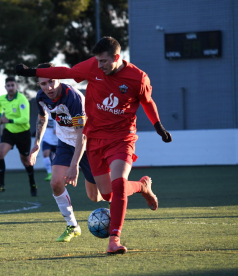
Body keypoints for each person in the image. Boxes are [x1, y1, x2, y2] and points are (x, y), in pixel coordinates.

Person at [16, 37, 172, 255]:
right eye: (97, 61)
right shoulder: (92, 67)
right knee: (106, 194)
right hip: (95, 140)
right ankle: (141, 186)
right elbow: (66, 72)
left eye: (104, 61)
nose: (99, 66)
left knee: (118, 184)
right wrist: (31, 72)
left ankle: (114, 240)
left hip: (121, 137)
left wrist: (158, 126)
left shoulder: (138, 78)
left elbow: (147, 101)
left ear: (117, 57)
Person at [29, 62, 103, 242]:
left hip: (88, 144)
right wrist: (37, 144)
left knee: (97, 197)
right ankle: (72, 225)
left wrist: (74, 165)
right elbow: (42, 118)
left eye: (52, 81)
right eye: (43, 84)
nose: (49, 87)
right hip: (65, 143)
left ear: (59, 78)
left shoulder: (74, 98)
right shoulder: (42, 97)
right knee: (55, 183)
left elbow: (82, 136)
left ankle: (131, 188)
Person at [0, 77, 37, 196]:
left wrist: (9, 120)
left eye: (12, 85)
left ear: (16, 86)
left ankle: (32, 183)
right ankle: (1, 185)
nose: (10, 87)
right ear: (5, 87)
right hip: (9, 132)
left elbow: (25, 119)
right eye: (8, 85)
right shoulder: (2, 99)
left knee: (25, 161)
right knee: (0, 154)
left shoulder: (22, 100)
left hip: (23, 133)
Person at [41, 116, 58, 181]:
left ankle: (58, 173)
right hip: (46, 139)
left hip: (57, 140)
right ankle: (49, 173)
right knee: (45, 154)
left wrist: (57, 128)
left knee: (58, 158)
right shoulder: (43, 112)